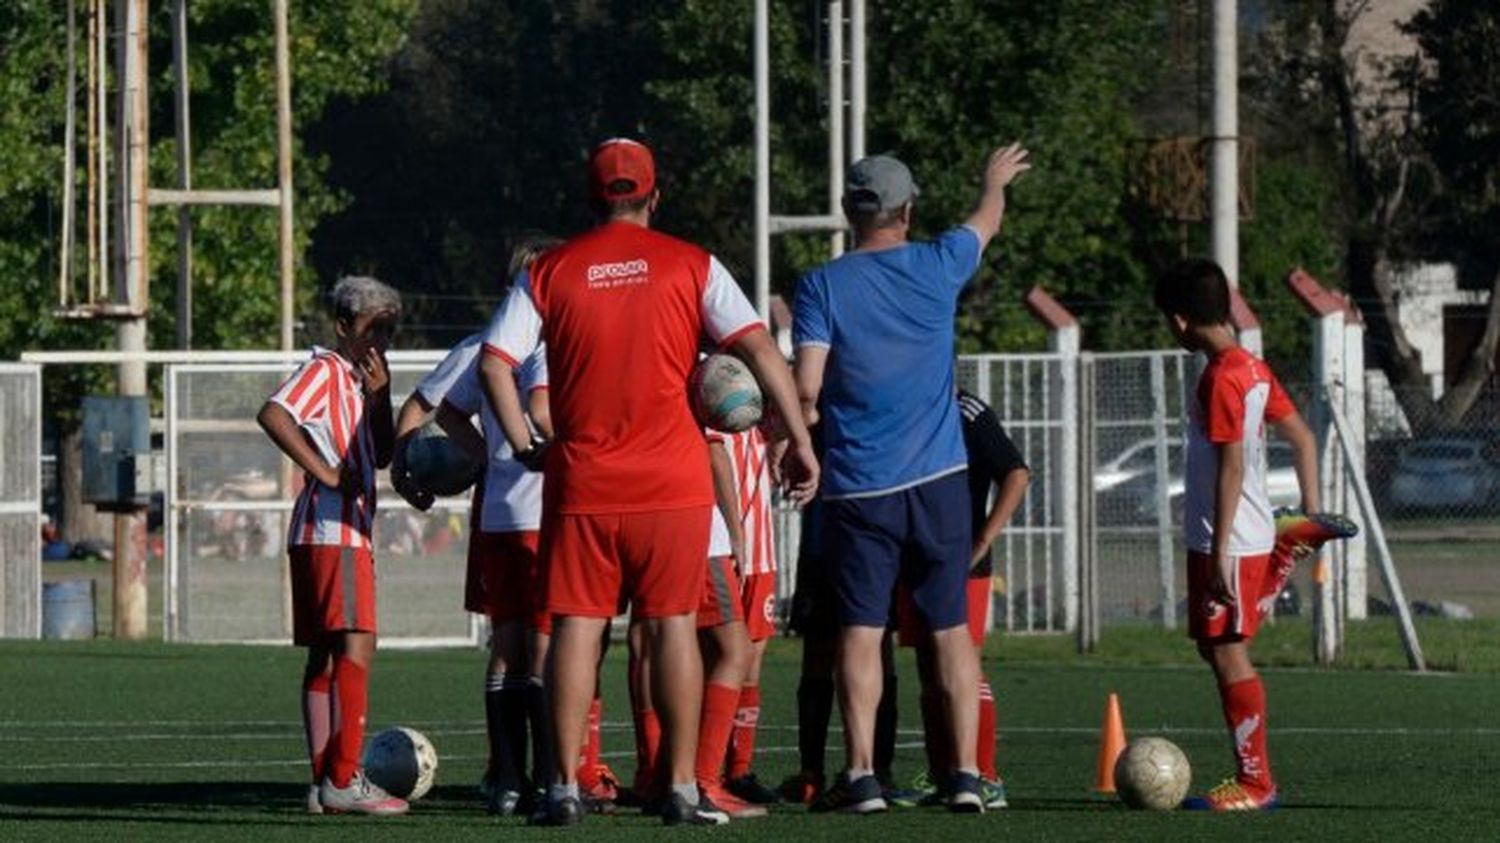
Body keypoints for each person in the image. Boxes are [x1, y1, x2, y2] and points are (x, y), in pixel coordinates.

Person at [478, 137, 818, 826]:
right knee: (670, 628)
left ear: (589, 198)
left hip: (582, 481)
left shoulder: (551, 269)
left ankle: (563, 787)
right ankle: (684, 789)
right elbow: (756, 346)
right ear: (655, 196)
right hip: (673, 481)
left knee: (578, 627)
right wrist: (799, 437)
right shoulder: (693, 264)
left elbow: (493, 362)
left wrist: (524, 443)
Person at [793, 143, 1029, 814]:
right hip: (940, 481)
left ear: (848, 211)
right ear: (908, 210)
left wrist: (794, 432)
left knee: (860, 632)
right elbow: (987, 218)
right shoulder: (937, 262)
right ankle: (962, 774)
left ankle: (863, 774)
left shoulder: (822, 286)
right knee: (950, 629)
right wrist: (992, 180)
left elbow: (808, 385)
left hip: (860, 483)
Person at [1154, 258, 1319, 812]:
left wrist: (1221, 548)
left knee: (1228, 653)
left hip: (1225, 538)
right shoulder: (1252, 367)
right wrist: (1310, 512)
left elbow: (1232, 467)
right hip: (1236, 535)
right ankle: (1288, 545)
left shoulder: (1223, 376)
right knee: (1217, 643)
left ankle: (1256, 782)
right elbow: (1301, 438)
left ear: (1180, 322)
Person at [255, 276, 405, 816]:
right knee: (356, 645)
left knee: (325, 657)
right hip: (331, 528)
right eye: (373, 329)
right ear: (343, 326)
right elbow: (274, 413)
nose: (382, 342)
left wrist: (382, 396)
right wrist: (324, 471)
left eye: (390, 331)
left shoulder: (361, 379)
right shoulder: (325, 370)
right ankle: (343, 777)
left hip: (338, 531)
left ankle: (324, 782)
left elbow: (382, 454)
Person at [896, 388, 1030, 809]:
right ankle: (943, 775)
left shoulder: (965, 409)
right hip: (910, 554)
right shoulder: (899, 401)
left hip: (961, 560)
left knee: (962, 661)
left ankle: (985, 777)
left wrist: (984, 538)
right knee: (926, 665)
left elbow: (1016, 472)